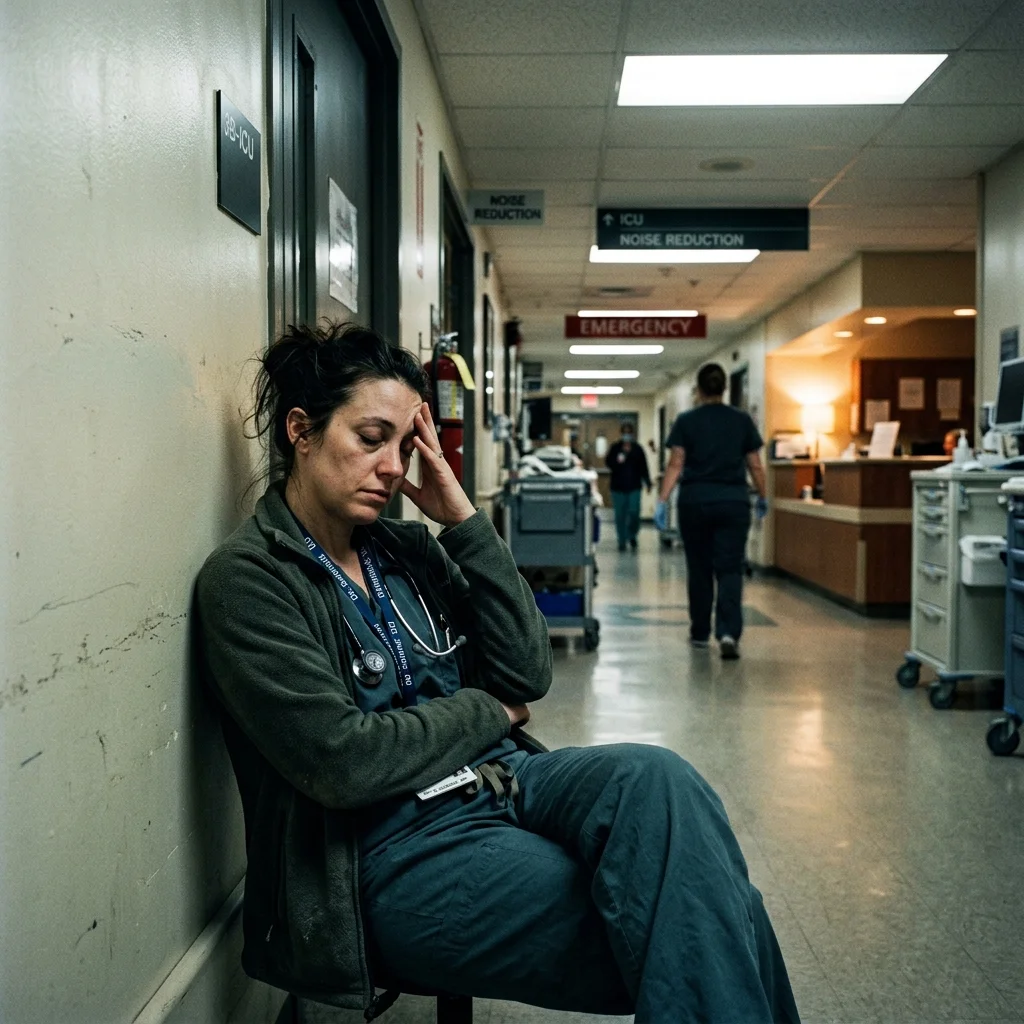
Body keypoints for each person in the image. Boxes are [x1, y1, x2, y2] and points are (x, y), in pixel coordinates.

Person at [194, 322, 799, 1024]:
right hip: (389, 846)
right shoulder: (250, 581)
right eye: (370, 438)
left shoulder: (405, 550)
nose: (393, 467)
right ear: (300, 430)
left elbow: (528, 669)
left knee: (658, 778)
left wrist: (462, 519)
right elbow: (344, 760)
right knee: (722, 917)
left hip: (505, 781)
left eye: (405, 444)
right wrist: (487, 711)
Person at [657, 363, 768, 660]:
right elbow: (755, 464)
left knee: (700, 569)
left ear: (699, 389)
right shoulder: (742, 420)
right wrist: (763, 495)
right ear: (724, 388)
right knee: (730, 568)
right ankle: (729, 632)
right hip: (733, 502)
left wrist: (662, 499)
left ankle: (700, 632)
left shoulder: (686, 421)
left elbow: (676, 464)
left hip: (695, 502)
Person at [605, 421, 652, 551]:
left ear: (633, 434)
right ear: (621, 434)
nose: (627, 435)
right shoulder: (615, 448)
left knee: (634, 513)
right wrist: (619, 459)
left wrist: (647, 482)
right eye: (624, 433)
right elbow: (608, 463)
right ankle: (622, 540)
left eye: (629, 433)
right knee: (620, 515)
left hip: (634, 487)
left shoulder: (638, 449)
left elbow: (644, 467)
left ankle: (632, 535)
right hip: (618, 487)